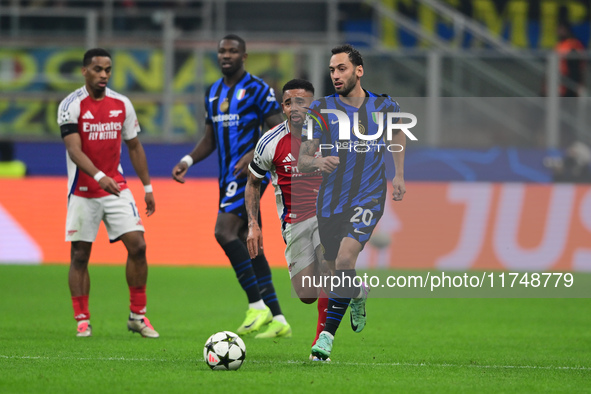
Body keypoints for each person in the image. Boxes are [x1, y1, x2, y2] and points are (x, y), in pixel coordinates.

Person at [172, 35, 289, 337]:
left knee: (222, 231)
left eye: (232, 51)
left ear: (244, 56)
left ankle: (257, 305)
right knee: (249, 241)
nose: (226, 55)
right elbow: (210, 138)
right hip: (226, 177)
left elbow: (280, 128)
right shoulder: (212, 92)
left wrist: (253, 152)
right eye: (222, 51)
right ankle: (278, 320)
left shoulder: (258, 90)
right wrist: (187, 159)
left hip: (250, 175)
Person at [299, 44, 406, 360]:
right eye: (332, 70)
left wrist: (399, 173)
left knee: (346, 260)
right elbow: (304, 158)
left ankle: (326, 340)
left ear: (359, 71)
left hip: (369, 196)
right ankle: (358, 292)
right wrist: (318, 163)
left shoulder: (385, 106)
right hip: (331, 202)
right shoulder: (320, 109)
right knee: (334, 274)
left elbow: (398, 133)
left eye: (341, 68)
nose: (335, 75)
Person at [58, 48, 159, 338]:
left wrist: (148, 187)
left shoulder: (122, 104)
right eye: (98, 69)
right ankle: (82, 319)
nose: (104, 75)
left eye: (108, 70)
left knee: (138, 246)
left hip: (116, 187)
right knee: (80, 255)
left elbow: (134, 146)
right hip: (82, 190)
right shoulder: (71, 105)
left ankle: (138, 316)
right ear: (85, 71)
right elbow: (73, 149)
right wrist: (99, 176)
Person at [245, 79, 330, 349]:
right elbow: (253, 183)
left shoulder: (330, 135)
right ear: (283, 106)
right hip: (294, 221)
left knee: (328, 261)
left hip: (327, 214)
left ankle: (321, 343)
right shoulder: (269, 142)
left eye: (301, 102)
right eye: (289, 102)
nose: (295, 107)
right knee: (306, 294)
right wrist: (253, 225)